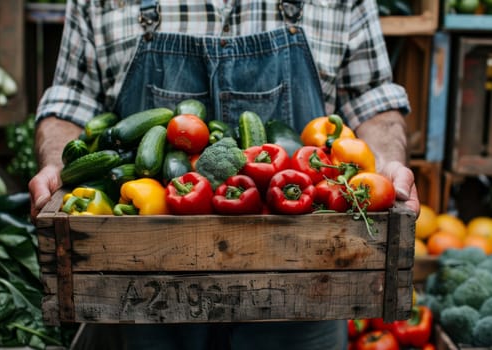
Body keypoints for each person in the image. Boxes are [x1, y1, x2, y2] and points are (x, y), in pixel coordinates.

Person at [29, 0, 420, 349]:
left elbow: (371, 99)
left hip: (306, 287)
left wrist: (385, 166)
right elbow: (71, 100)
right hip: (141, 292)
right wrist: (54, 163)